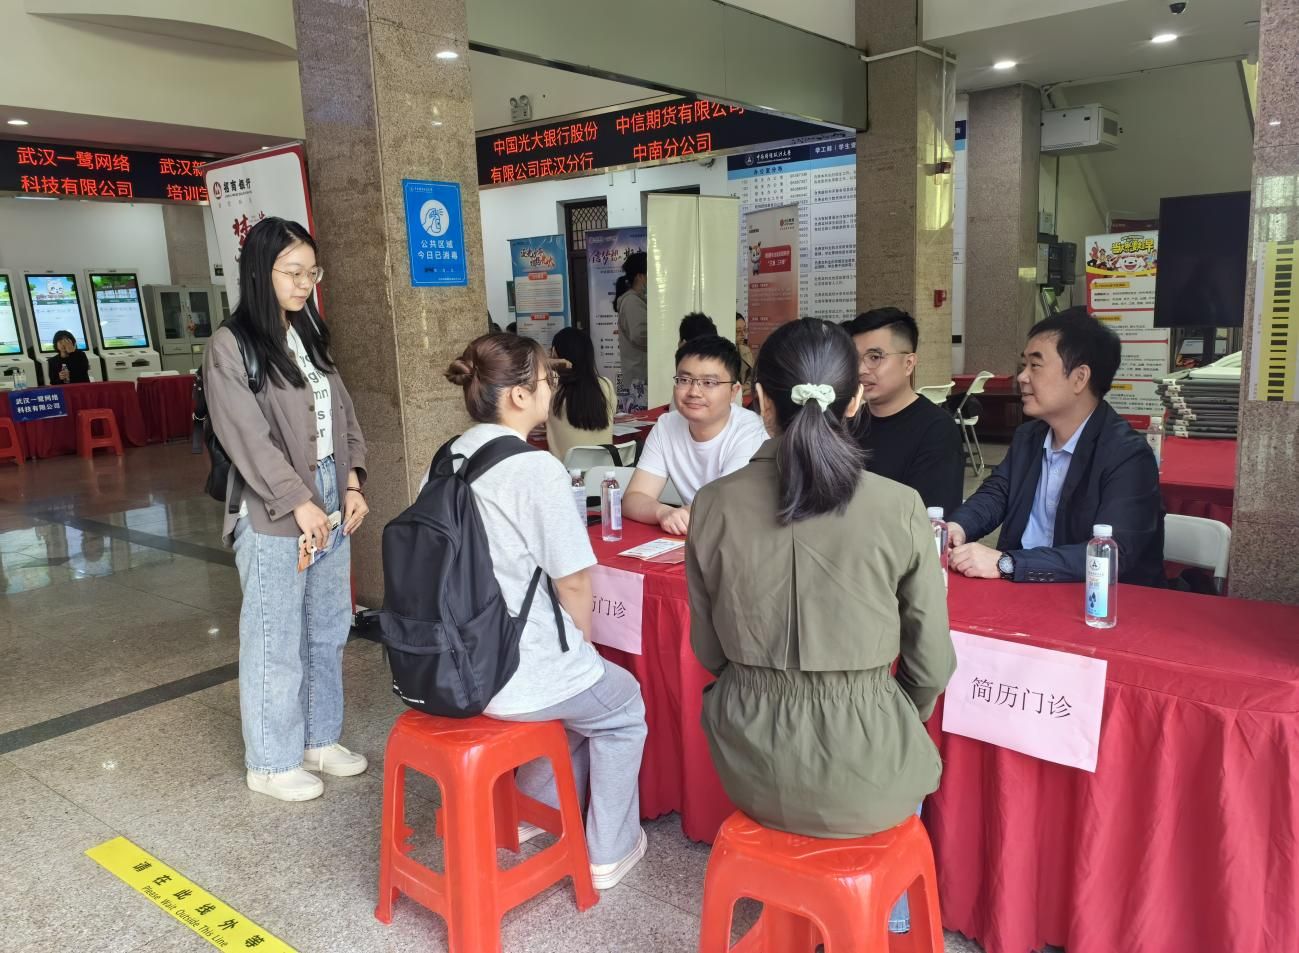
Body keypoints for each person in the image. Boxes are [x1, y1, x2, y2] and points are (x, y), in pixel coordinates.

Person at [686, 318, 955, 847]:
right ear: (854, 401)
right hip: (870, 767)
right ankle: (886, 899)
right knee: (906, 790)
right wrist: (880, 710)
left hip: (750, 765)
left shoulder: (712, 503)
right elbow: (931, 666)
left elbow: (709, 649)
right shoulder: (900, 506)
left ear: (762, 402)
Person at [443, 334, 649, 889]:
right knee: (621, 705)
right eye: (545, 378)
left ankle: (536, 814)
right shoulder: (533, 469)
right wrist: (583, 649)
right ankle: (610, 849)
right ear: (517, 395)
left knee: (581, 704)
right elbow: (575, 580)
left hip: (455, 664)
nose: (552, 386)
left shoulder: (446, 459)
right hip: (518, 669)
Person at [204, 217, 370, 803]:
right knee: (275, 634)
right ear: (260, 271)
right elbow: (247, 439)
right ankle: (272, 761)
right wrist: (299, 501)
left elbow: (342, 412)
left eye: (311, 272)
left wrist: (351, 481)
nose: (304, 284)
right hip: (271, 503)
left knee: (326, 626)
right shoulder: (232, 345)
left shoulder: (307, 333)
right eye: (293, 272)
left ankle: (317, 739)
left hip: (329, 491)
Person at [947, 307, 1165, 585]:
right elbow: (997, 493)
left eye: (1035, 366)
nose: (1022, 377)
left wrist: (1007, 563)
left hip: (1093, 600)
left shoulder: (1127, 455)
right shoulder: (1029, 436)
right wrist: (959, 526)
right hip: (1020, 589)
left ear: (1079, 378)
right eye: (1023, 365)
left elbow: (1114, 552)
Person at [623, 335, 767, 535]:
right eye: (684, 380)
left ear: (733, 391)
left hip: (745, 539)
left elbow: (724, 505)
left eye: (709, 382)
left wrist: (682, 515)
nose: (694, 392)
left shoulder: (751, 431)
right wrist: (663, 512)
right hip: (698, 537)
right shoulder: (666, 426)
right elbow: (634, 497)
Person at [842, 308, 963, 515]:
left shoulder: (937, 430)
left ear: (908, 364)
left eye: (874, 357)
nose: (861, 369)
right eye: (855, 358)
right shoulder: (850, 423)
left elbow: (930, 518)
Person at [546, 326, 616, 463]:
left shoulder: (551, 390)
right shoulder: (605, 385)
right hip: (603, 472)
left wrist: (547, 363)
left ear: (554, 353)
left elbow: (525, 369)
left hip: (564, 473)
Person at [615, 251, 648, 409]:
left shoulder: (637, 300)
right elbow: (639, 334)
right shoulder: (632, 302)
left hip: (638, 376)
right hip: (638, 378)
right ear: (640, 276)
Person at [735, 312, 754, 400]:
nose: (743, 334)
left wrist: (747, 386)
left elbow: (754, 376)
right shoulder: (721, 352)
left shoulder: (746, 351)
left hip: (744, 395)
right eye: (738, 331)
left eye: (744, 330)